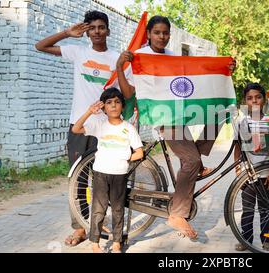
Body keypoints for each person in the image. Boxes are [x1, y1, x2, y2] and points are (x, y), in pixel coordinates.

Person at [115, 15, 235, 239]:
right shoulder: (140, 57)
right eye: (157, 32)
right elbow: (129, 93)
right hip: (163, 117)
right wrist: (120, 67)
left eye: (166, 33)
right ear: (149, 34)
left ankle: (195, 166)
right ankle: (177, 214)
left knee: (218, 112)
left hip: (181, 114)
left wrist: (224, 71)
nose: (162, 37)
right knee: (191, 161)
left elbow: (198, 76)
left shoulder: (174, 56)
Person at [35, 10, 133, 247]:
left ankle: (105, 228)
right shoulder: (78, 52)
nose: (97, 32)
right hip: (80, 126)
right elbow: (40, 46)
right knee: (77, 180)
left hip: (108, 128)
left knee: (106, 179)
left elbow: (128, 94)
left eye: (101, 27)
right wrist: (67, 33)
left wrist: (120, 67)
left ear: (108, 30)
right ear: (87, 32)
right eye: (92, 28)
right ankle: (80, 227)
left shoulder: (117, 59)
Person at [72, 87, 144, 253]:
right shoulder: (99, 125)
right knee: (98, 209)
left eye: (117, 102)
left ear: (122, 107)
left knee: (118, 209)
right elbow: (76, 129)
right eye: (109, 102)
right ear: (103, 107)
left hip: (120, 174)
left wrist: (124, 158)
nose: (113, 105)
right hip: (101, 173)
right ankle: (95, 244)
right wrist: (89, 112)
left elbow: (139, 153)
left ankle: (117, 242)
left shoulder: (128, 128)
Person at [234, 83, 269, 252]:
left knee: (266, 208)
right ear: (245, 101)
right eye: (250, 98)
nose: (254, 101)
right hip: (246, 172)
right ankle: (246, 239)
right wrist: (237, 168)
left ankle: (267, 241)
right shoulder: (241, 122)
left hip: (265, 172)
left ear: (264, 99)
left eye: (258, 97)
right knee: (248, 209)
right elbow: (237, 147)